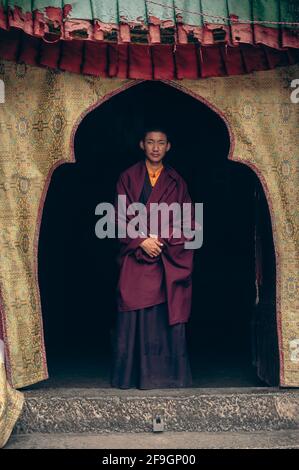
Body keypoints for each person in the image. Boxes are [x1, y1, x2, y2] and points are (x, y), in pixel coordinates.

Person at [110, 127, 196, 389]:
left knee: (163, 315)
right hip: (137, 258)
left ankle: (166, 377)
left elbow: (189, 222)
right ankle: (134, 377)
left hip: (166, 259)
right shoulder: (127, 177)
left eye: (161, 143)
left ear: (168, 146)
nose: (155, 147)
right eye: (150, 142)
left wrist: (160, 240)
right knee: (134, 308)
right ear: (142, 145)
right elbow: (116, 218)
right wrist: (140, 241)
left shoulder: (177, 182)